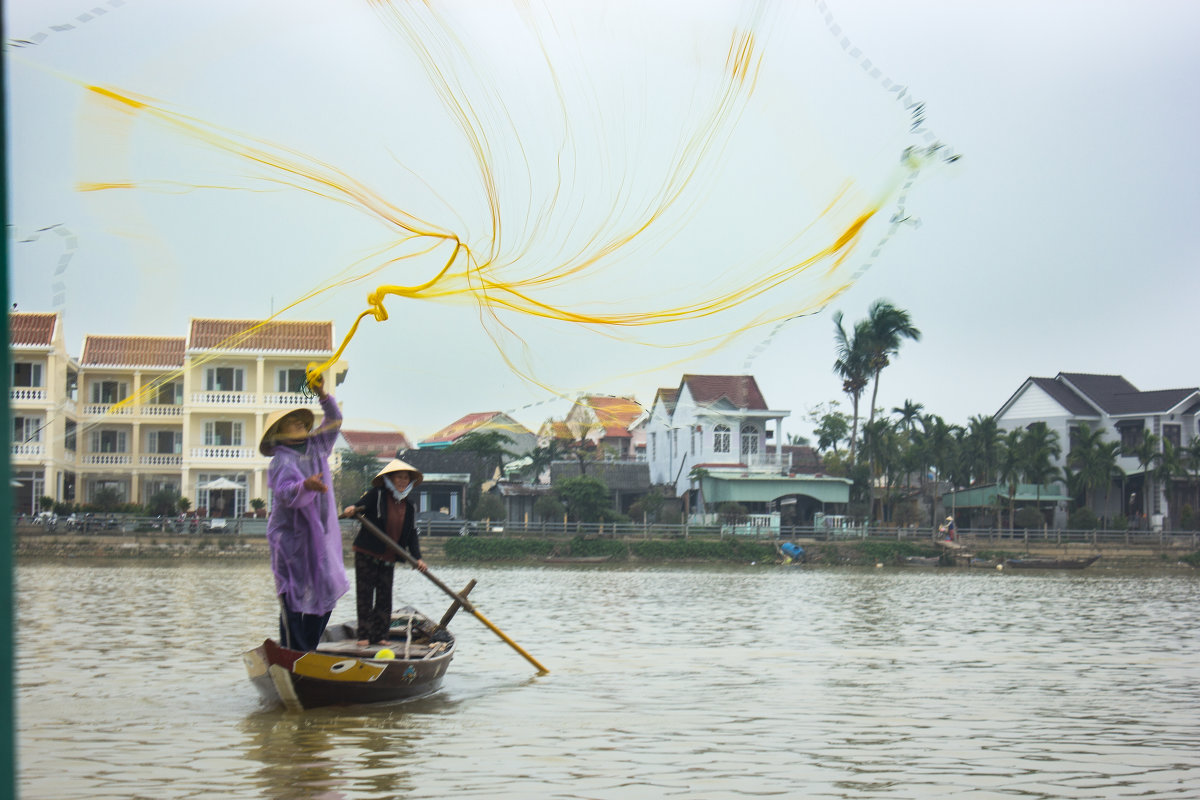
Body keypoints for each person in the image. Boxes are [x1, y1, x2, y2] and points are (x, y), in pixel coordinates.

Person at [261, 374, 348, 652]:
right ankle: (293, 652)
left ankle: (307, 649)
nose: (299, 424)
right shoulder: (280, 460)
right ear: (279, 430)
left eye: (301, 421)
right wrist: (305, 486)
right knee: (292, 595)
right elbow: (285, 492)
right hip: (290, 539)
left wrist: (323, 395)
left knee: (325, 589)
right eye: (292, 422)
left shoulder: (317, 445)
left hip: (320, 535)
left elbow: (335, 421)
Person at [343, 459, 429, 645]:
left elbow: (412, 534)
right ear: (390, 478)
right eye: (399, 477)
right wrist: (352, 509)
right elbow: (360, 506)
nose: (402, 481)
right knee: (365, 594)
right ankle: (364, 635)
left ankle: (380, 635)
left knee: (384, 596)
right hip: (367, 552)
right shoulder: (378, 494)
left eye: (406, 478)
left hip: (389, 556)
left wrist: (418, 558)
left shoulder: (410, 505)